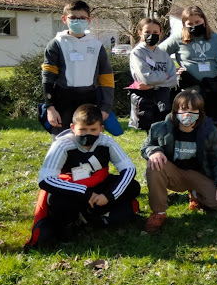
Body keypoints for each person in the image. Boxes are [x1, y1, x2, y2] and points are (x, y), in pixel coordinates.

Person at [25, 104, 140, 247]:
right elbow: (45, 180)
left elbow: (129, 169)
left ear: (101, 129)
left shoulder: (107, 142)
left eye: (93, 130)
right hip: (72, 189)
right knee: (57, 200)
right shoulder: (62, 144)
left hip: (99, 187)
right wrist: (85, 193)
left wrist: (108, 195)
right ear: (73, 127)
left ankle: (91, 216)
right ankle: (69, 224)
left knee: (133, 187)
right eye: (83, 129)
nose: (88, 134)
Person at [141, 90, 217, 233]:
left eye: (193, 110)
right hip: (173, 172)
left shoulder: (210, 131)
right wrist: (154, 151)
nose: (188, 114)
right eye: (183, 109)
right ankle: (158, 212)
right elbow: (146, 147)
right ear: (175, 110)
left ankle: (196, 194)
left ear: (200, 112)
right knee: (154, 164)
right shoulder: (159, 128)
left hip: (199, 174)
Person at [42, 0, 114, 135]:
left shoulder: (97, 46)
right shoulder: (56, 44)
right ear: (64, 19)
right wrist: (50, 107)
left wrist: (105, 107)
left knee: (88, 140)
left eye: (82, 18)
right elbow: (48, 77)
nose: (78, 21)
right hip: (63, 100)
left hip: (90, 99)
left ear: (89, 20)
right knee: (62, 140)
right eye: (73, 18)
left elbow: (106, 78)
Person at [159, 6, 217, 137]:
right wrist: (172, 71)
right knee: (190, 127)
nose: (194, 26)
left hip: (213, 91)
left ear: (204, 20)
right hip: (189, 92)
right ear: (184, 24)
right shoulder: (178, 38)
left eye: (197, 22)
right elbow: (157, 55)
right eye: (190, 24)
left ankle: (215, 149)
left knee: (214, 128)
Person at [128, 17, 178, 131]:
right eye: (147, 32)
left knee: (164, 130)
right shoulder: (137, 53)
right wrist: (164, 76)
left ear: (160, 33)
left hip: (163, 98)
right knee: (150, 132)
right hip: (145, 99)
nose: (151, 35)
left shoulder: (164, 54)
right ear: (140, 33)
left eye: (155, 32)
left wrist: (152, 85)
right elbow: (147, 78)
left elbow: (173, 79)